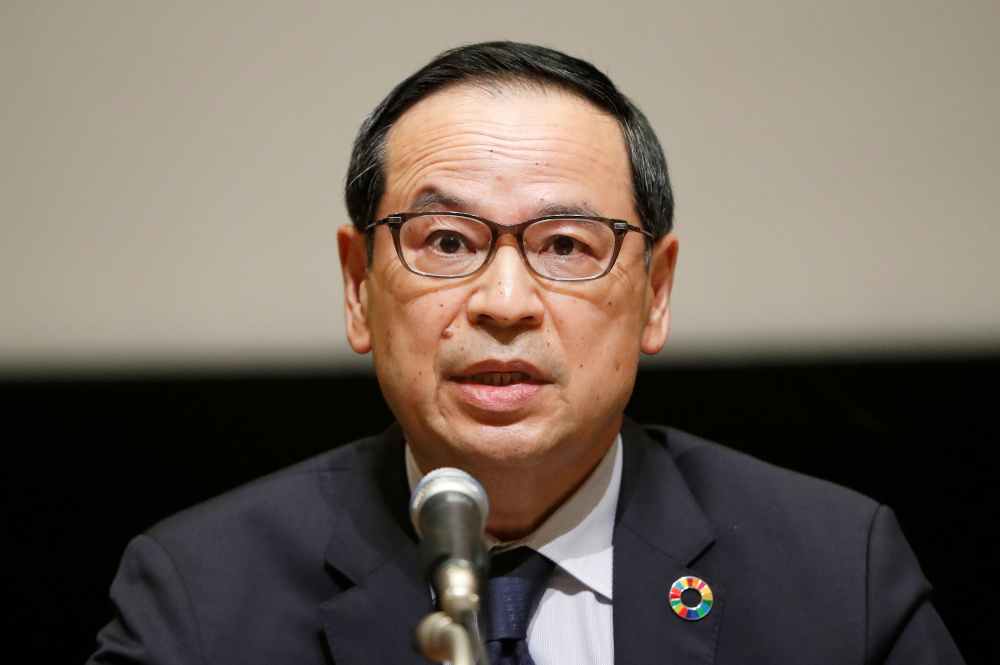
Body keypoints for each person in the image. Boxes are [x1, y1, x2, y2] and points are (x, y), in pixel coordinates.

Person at [88, 41, 964, 664]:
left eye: (567, 246)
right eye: (445, 241)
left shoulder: (834, 572)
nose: (504, 304)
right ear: (358, 287)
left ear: (655, 294)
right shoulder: (199, 597)